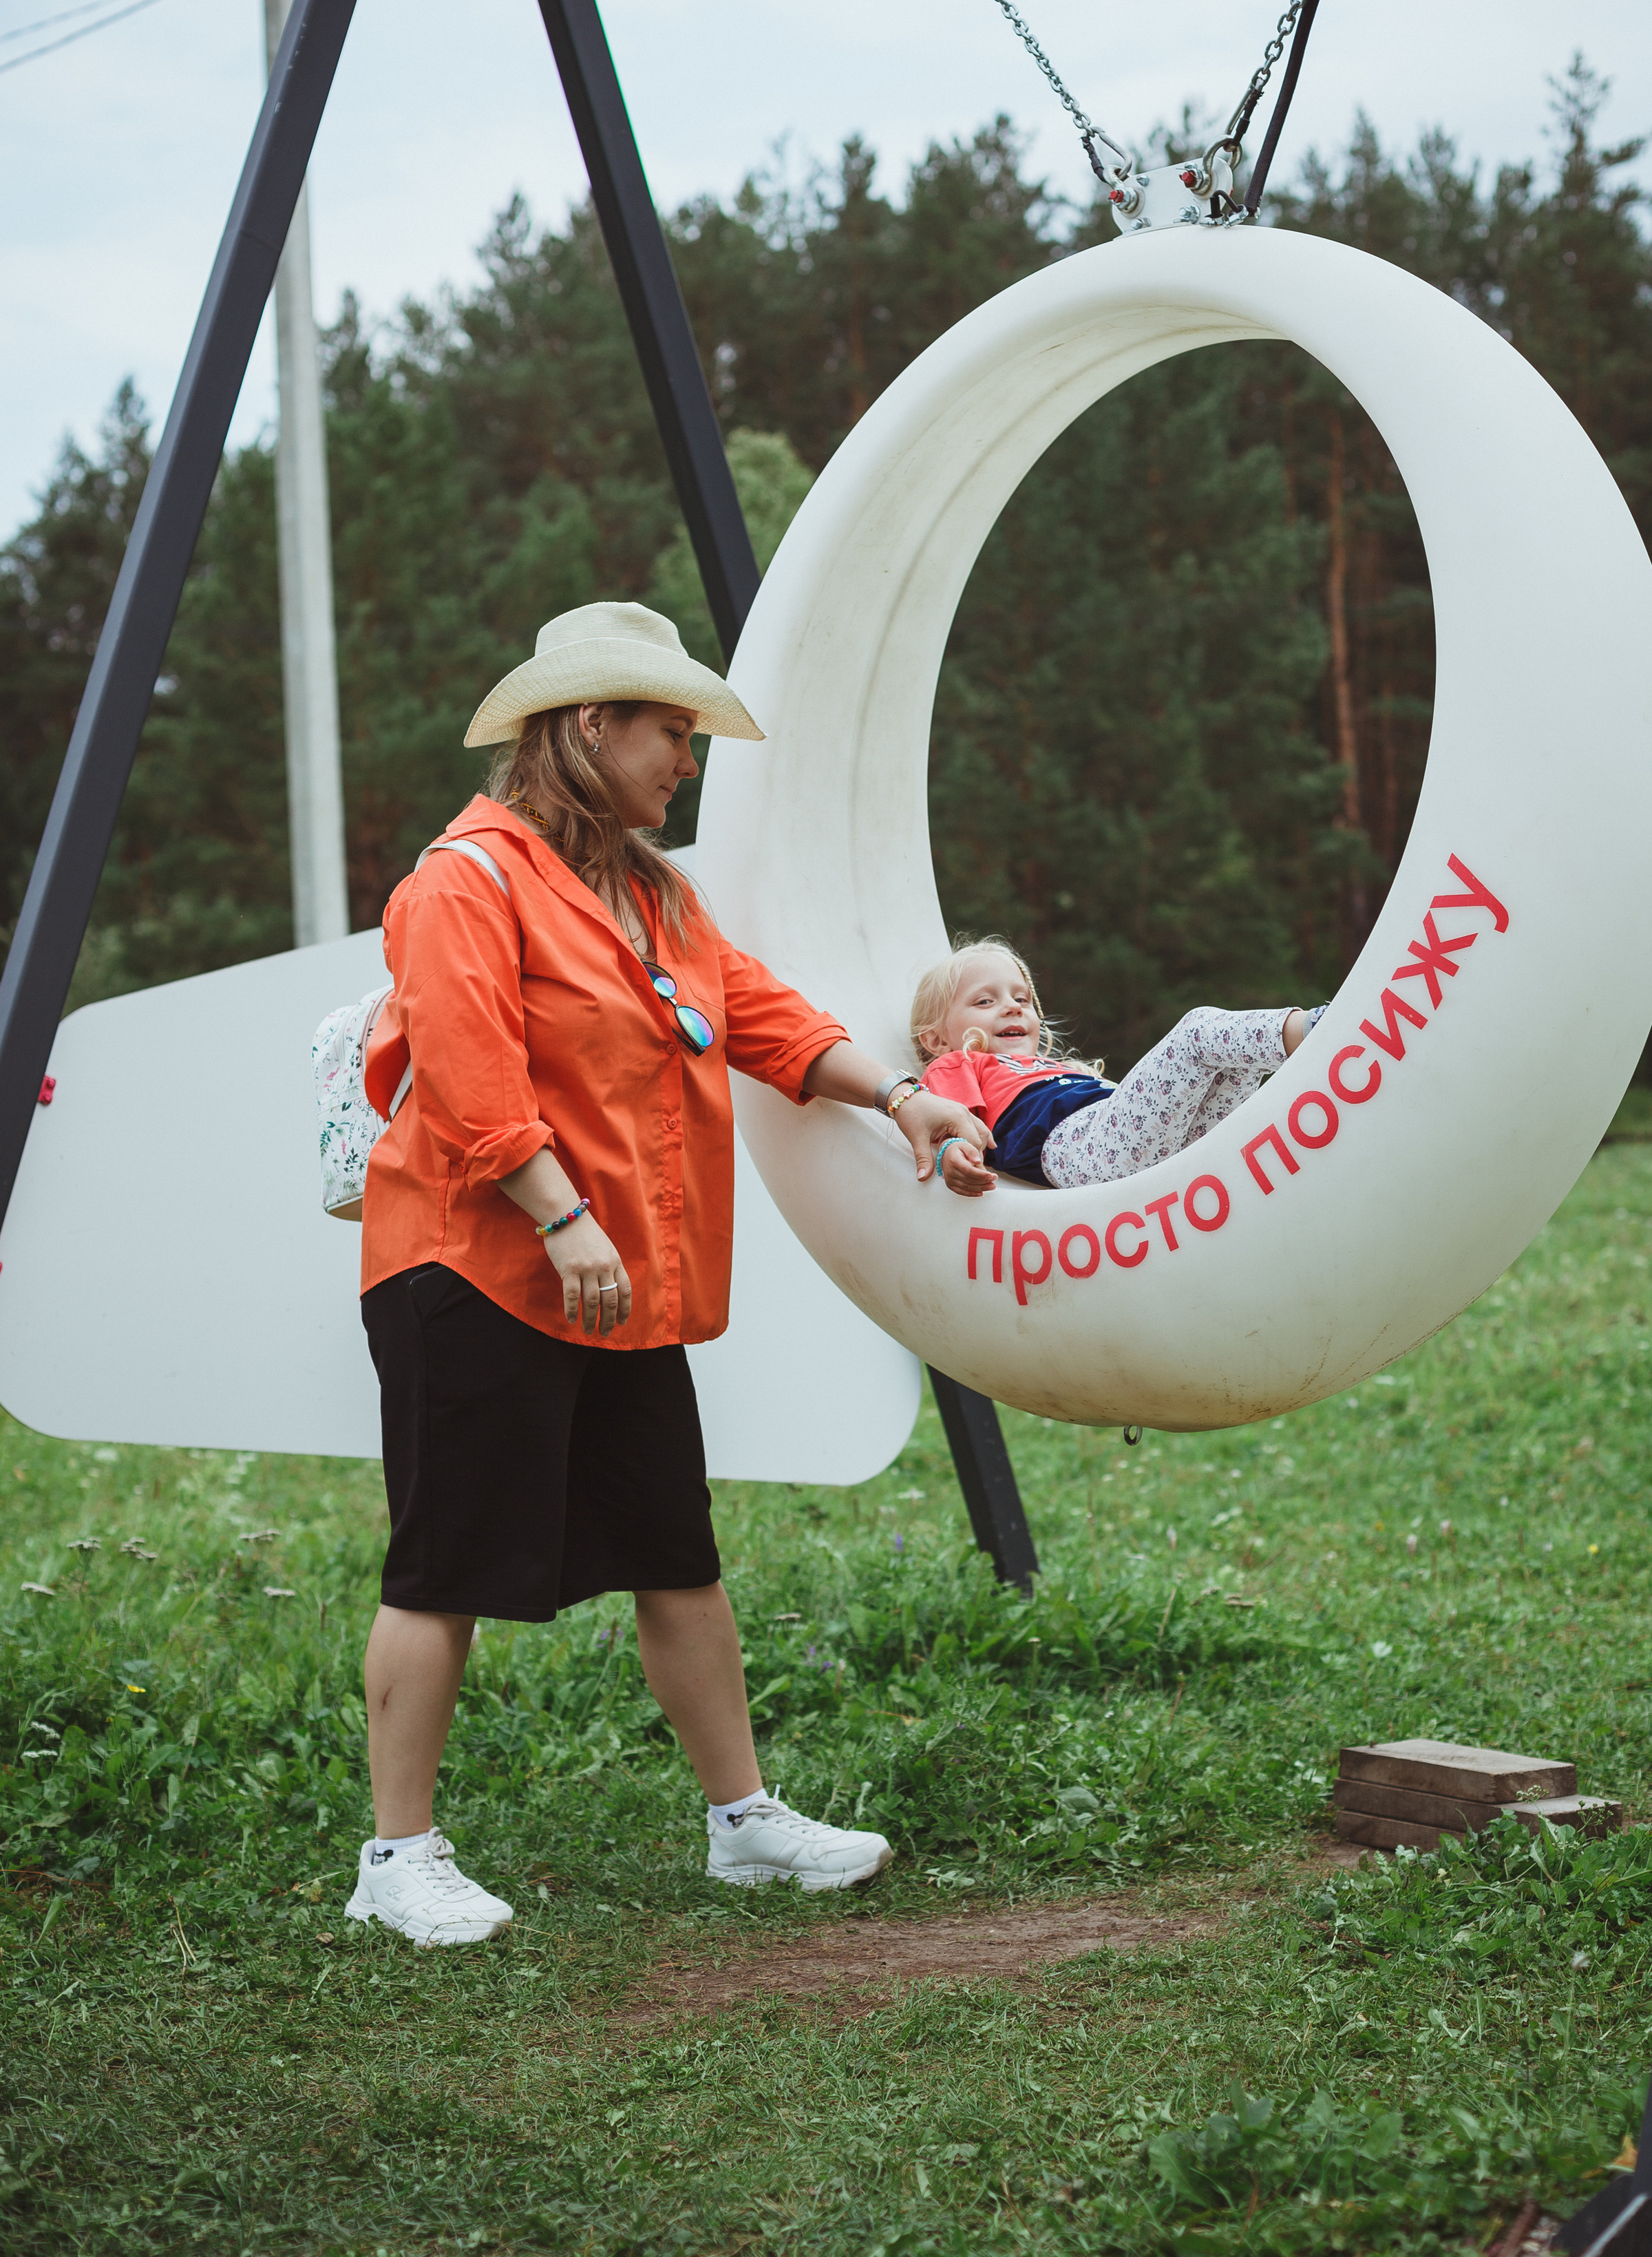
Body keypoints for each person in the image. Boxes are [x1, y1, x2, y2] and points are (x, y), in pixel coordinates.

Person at [344, 601, 988, 1949]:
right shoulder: (465, 878)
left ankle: (742, 1825)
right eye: (669, 733)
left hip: (608, 1283)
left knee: (674, 1555)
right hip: (475, 1268)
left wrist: (904, 1096)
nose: (683, 760)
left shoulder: (652, 893)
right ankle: (396, 1858)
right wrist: (564, 1214)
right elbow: (465, 1074)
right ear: (591, 726)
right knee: (441, 1565)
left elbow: (754, 1014)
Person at [911, 938, 1326, 1196]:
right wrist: (951, 1150)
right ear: (935, 1038)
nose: (1011, 1007)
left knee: (1236, 1063)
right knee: (1199, 1032)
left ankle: (1310, 1080)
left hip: (1153, 1144)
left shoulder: (1060, 1069)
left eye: (1021, 998)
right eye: (985, 1001)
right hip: (1081, 1149)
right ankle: (1322, 1031)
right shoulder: (957, 1062)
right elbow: (950, 1121)